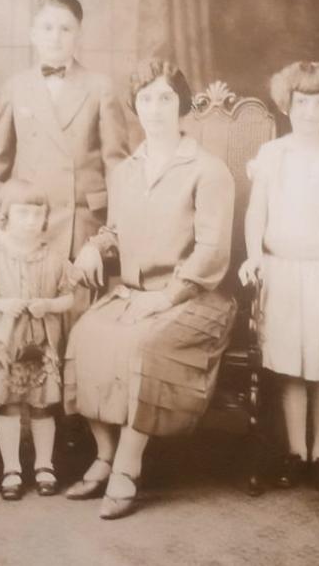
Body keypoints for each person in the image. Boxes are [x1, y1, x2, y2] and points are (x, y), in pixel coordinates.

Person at [64, 59, 236, 520]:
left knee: (142, 345)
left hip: (195, 297)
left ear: (181, 104)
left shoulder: (207, 169)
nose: (155, 108)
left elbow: (213, 250)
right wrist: (93, 248)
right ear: (134, 106)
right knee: (85, 335)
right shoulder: (128, 171)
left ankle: (127, 466)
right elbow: (117, 230)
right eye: (145, 99)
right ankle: (103, 455)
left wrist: (168, 296)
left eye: (164, 98)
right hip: (135, 293)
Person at [239, 61, 319, 493]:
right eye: (303, 102)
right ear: (287, 105)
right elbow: (256, 213)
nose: (312, 112)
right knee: (291, 369)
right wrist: (255, 255)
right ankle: (296, 452)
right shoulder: (274, 154)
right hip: (283, 270)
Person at [0, 0, 128, 262]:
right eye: (47, 28)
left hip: (84, 225)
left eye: (65, 29)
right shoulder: (16, 88)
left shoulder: (100, 88)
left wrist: (111, 234)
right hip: (29, 224)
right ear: (32, 34)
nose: (55, 37)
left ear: (78, 35)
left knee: (76, 301)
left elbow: (118, 170)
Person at [0, 179, 76, 500]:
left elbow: (68, 298)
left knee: (42, 406)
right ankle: (11, 469)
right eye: (23, 213)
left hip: (41, 346)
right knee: (9, 407)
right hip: (6, 347)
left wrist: (50, 306)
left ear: (46, 218)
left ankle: (44, 466)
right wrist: (1, 305)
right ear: (5, 215)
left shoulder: (54, 258)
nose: (31, 221)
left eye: (37, 214)